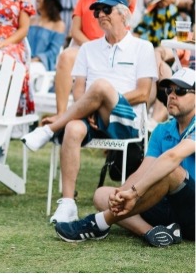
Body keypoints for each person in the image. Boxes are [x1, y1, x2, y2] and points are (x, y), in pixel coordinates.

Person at [21, 0, 158, 224]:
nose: (100, 14)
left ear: (123, 15)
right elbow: (78, 91)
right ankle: (67, 204)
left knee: (102, 86)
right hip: (94, 117)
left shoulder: (142, 47)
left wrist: (104, 98)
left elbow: (144, 93)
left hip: (127, 120)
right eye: (96, 11)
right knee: (73, 128)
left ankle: (50, 128)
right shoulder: (88, 49)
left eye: (107, 9)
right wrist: (93, 107)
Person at [55, 68, 194, 246]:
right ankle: (153, 233)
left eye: (180, 91)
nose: (172, 95)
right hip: (166, 209)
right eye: (169, 90)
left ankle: (98, 223)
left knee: (171, 171)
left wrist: (134, 193)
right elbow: (143, 171)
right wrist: (122, 194)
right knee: (102, 195)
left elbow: (172, 157)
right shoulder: (162, 130)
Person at [52, 0, 135, 115]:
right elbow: (75, 31)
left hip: (117, 51)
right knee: (66, 56)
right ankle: (61, 115)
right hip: (88, 48)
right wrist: (93, 48)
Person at [27, 0, 66, 73]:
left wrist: (37, 59)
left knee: (31, 69)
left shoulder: (58, 25)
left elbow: (53, 51)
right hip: (25, 59)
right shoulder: (31, 20)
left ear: (50, 2)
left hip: (42, 65)